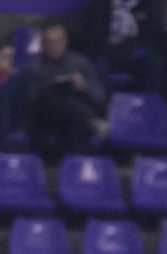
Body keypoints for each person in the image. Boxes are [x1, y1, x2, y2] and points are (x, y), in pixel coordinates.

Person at [27, 21, 107, 154]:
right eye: (49, 42)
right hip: (45, 120)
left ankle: (74, 167)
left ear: (65, 42)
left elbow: (100, 98)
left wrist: (83, 87)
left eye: (58, 41)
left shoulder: (80, 63)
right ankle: (91, 120)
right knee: (52, 95)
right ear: (42, 44)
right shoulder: (34, 67)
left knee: (74, 116)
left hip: (73, 122)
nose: (54, 46)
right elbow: (30, 101)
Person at [85, 0, 167, 94]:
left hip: (136, 50)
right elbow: (92, 35)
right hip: (106, 50)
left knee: (155, 62)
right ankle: (102, 106)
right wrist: (110, 43)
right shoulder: (100, 4)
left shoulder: (149, 4)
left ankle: (150, 105)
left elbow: (155, 35)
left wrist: (131, 42)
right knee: (99, 63)